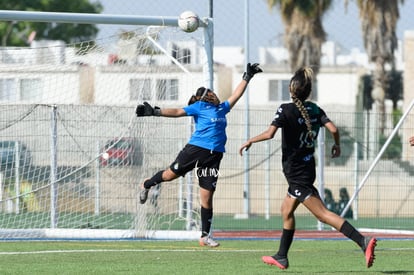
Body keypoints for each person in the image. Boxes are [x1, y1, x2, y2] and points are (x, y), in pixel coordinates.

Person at [239, 67, 377, 269]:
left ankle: (362, 241)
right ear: (307, 91)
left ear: (291, 89)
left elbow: (269, 134)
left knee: (322, 214)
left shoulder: (285, 109)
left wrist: (250, 140)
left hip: (296, 174)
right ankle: (281, 256)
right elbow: (333, 129)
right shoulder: (315, 109)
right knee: (286, 211)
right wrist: (336, 144)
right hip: (307, 168)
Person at [135, 63, 263, 247]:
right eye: (209, 93)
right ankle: (147, 184)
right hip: (195, 150)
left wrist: (247, 76)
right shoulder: (199, 106)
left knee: (207, 197)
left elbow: (236, 95)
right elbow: (178, 111)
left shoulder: (222, 108)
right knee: (170, 175)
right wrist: (156, 111)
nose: (213, 94)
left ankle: (204, 236)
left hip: (213, 157)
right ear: (204, 97)